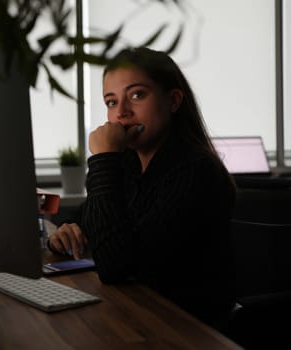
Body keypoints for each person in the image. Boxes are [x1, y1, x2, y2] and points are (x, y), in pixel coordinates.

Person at [47, 47, 236, 329]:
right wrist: (62, 235)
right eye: (111, 102)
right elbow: (87, 220)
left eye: (136, 95)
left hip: (184, 330)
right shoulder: (128, 166)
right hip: (135, 314)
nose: (121, 113)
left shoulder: (196, 172)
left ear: (173, 101)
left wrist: (102, 159)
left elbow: (115, 266)